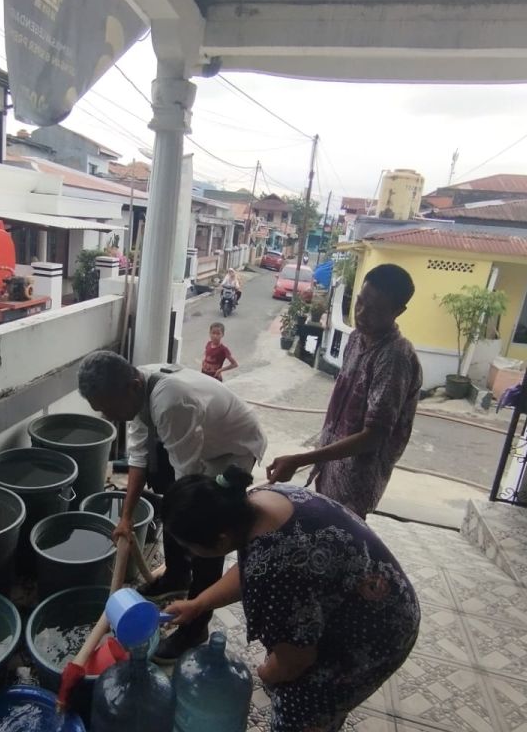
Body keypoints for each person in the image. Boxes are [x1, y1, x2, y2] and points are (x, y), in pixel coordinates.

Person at [163, 468, 419, 732]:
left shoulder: (276, 575)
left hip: (378, 631)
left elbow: (296, 660)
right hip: (383, 593)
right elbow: (252, 566)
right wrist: (198, 604)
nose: (187, 553)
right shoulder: (255, 502)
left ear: (221, 540)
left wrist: (268, 673)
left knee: (300, 710)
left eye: (188, 546)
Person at [76, 350, 267, 663]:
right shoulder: (136, 388)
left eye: (109, 409)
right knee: (168, 492)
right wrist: (125, 519)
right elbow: (138, 458)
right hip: (202, 443)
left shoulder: (170, 401)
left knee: (204, 529)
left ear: (132, 387)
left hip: (234, 450)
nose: (109, 417)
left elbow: (187, 488)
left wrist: (184, 520)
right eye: (102, 410)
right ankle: (177, 575)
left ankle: (196, 627)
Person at [266, 264, 422, 519]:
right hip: (329, 471)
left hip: (355, 483)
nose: (361, 313)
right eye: (360, 302)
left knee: (337, 544)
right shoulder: (356, 339)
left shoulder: (394, 357)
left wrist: (300, 459)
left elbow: (374, 436)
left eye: (374, 309)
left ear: (397, 311)